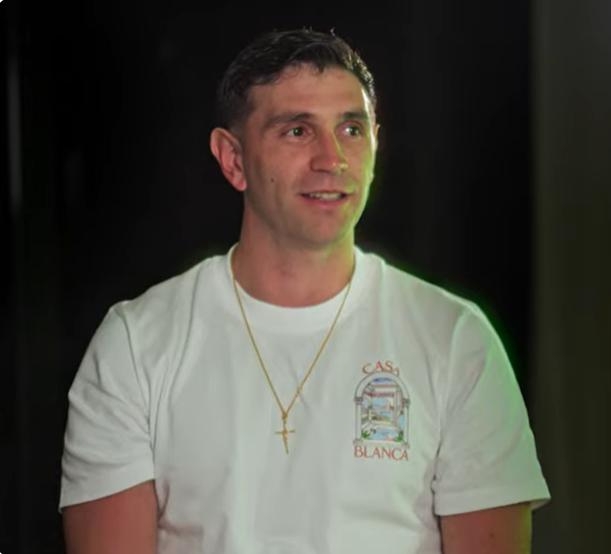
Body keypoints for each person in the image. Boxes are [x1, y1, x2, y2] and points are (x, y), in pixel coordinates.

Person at [59, 28, 550, 553]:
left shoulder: (455, 339)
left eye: (351, 129)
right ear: (233, 159)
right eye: (297, 131)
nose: (331, 159)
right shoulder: (136, 344)